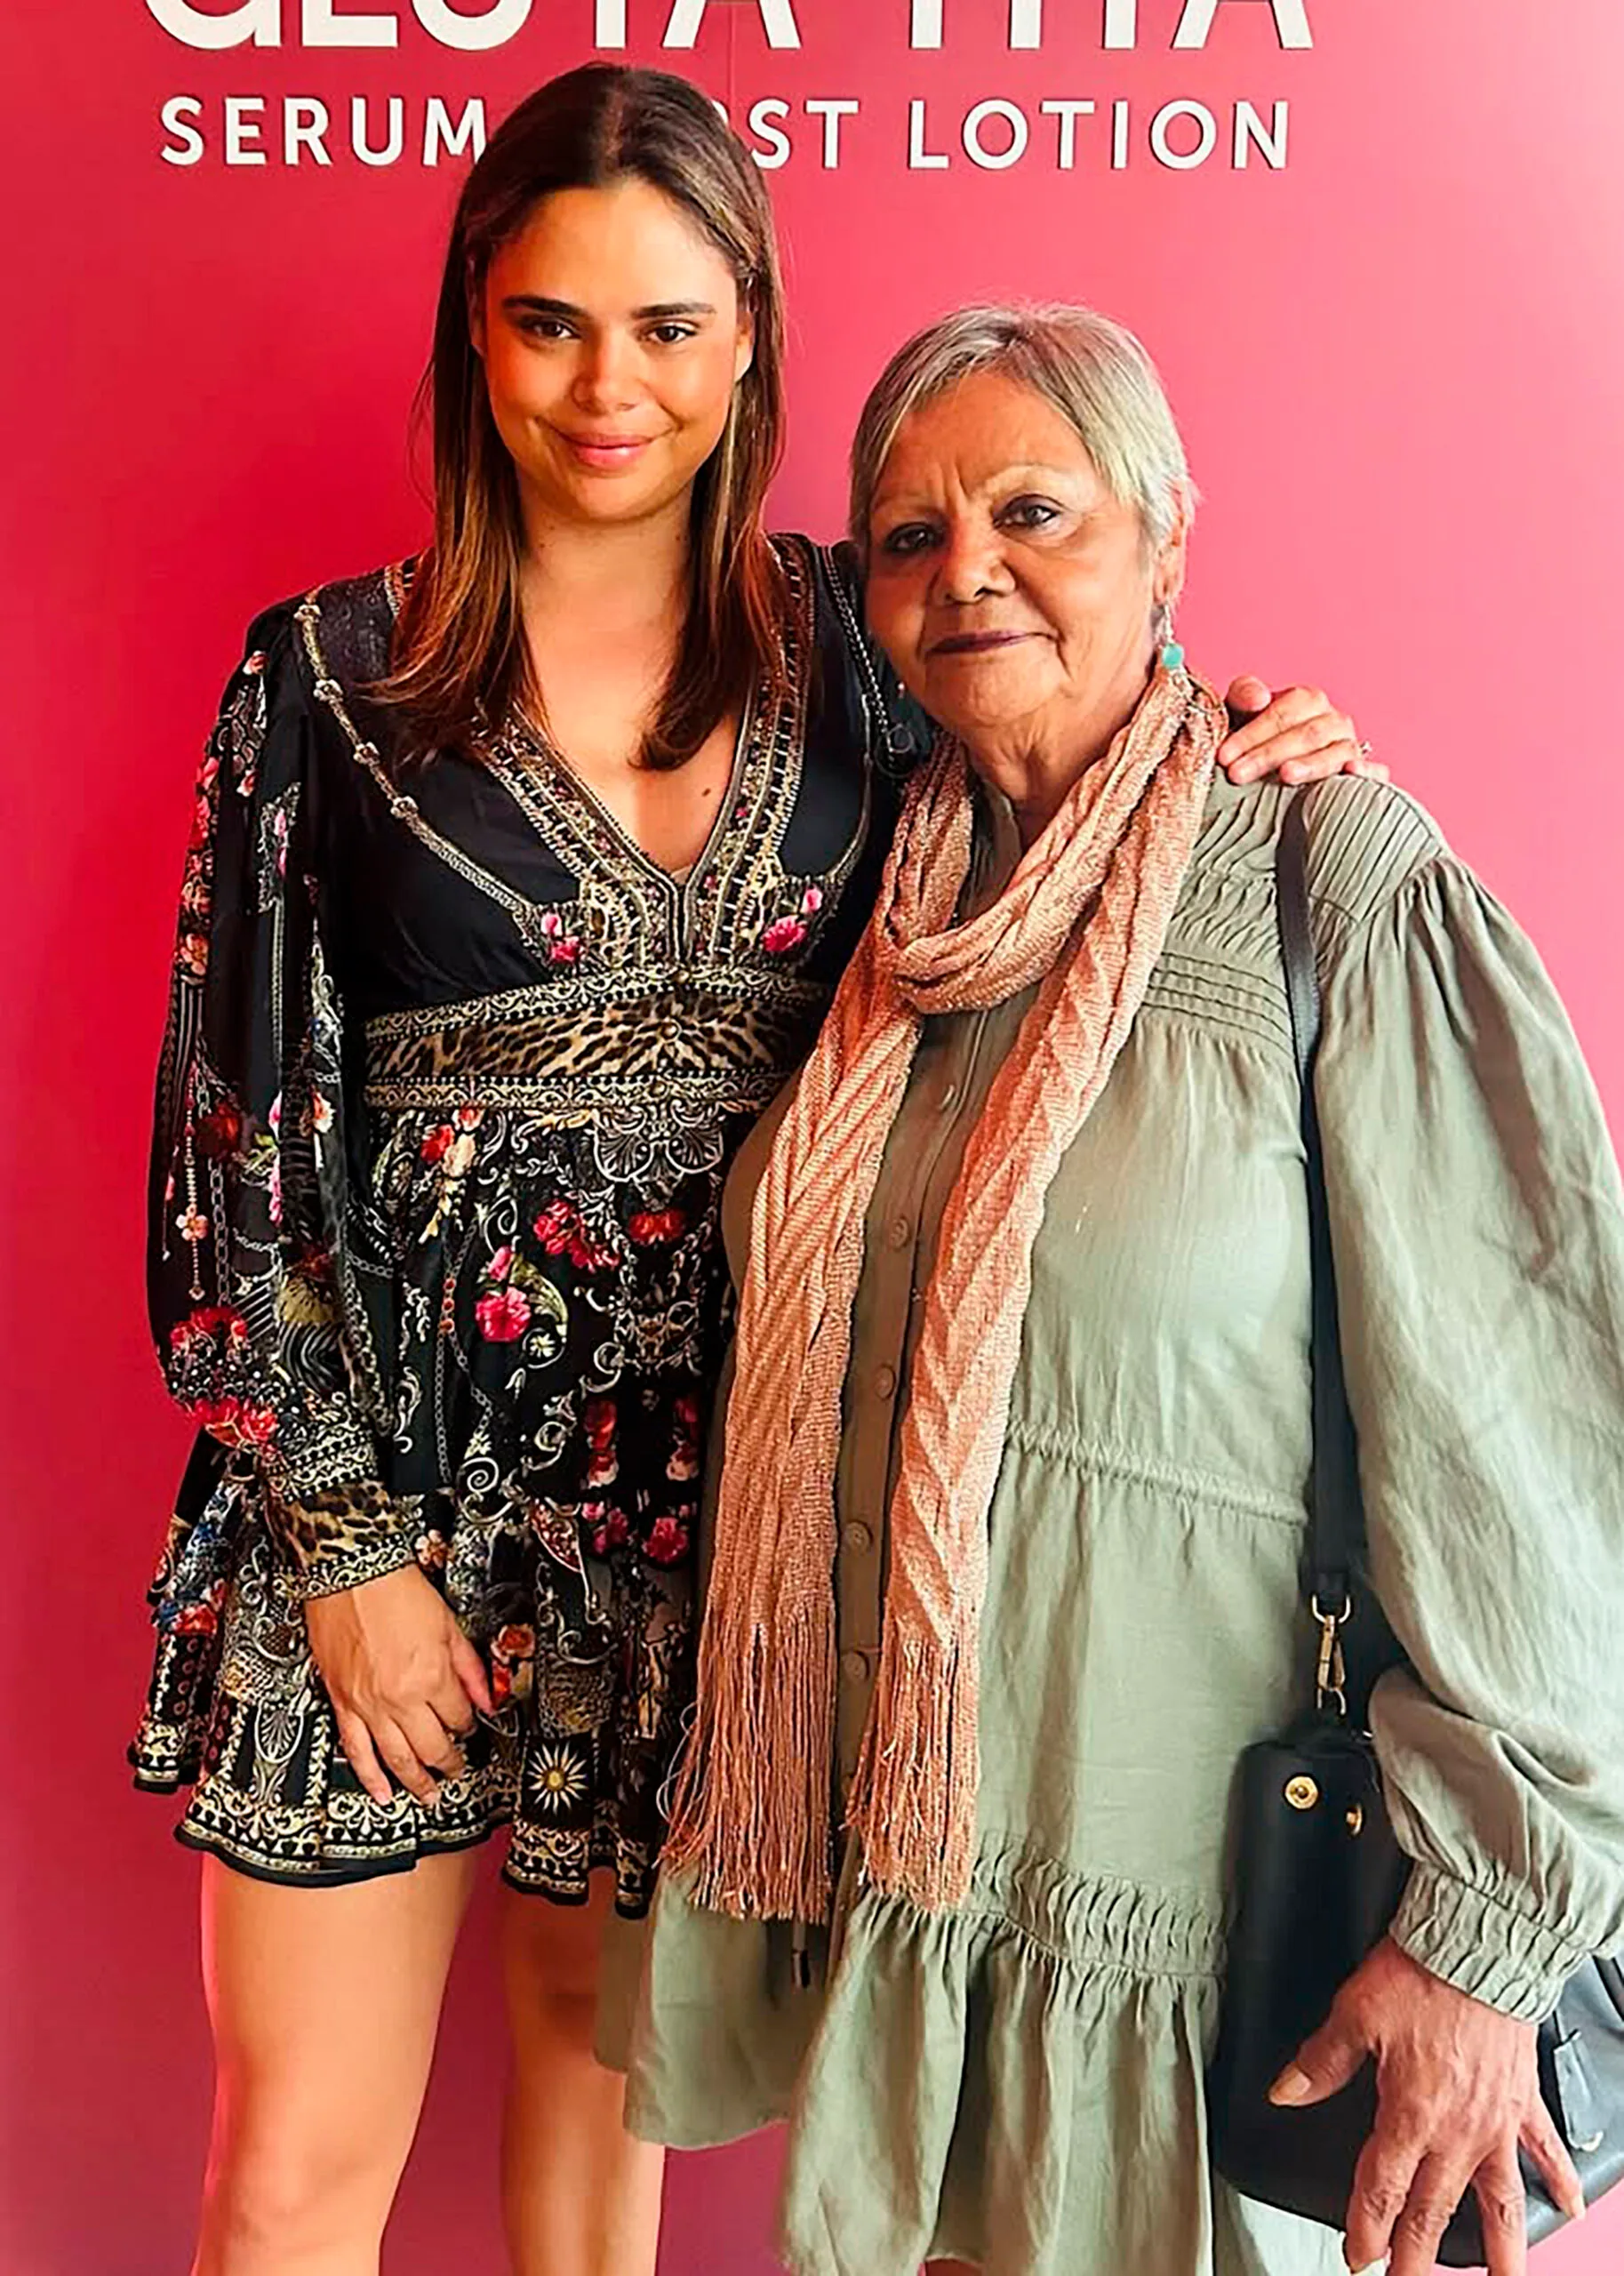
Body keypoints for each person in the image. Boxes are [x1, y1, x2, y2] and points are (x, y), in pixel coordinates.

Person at [131, 68, 1370, 2276]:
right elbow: (227, 1147)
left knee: (606, 2168)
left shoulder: (852, 646)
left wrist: (1246, 730)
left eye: (673, 326)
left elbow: (1071, 767)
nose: (613, 385)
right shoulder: (324, 681)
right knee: (298, 2168)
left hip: (717, 1533)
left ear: (751, 341)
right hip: (379, 1522)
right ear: (475, 335)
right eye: (551, 323)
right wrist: (343, 1546)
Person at [620, 303, 1624, 2276]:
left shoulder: (1328, 877)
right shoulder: (886, 922)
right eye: (905, 536)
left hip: (1195, 1940)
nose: (964, 565)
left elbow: (1533, 1455)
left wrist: (1491, 1938)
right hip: (926, 1901)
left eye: (1031, 510)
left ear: (1166, 541)